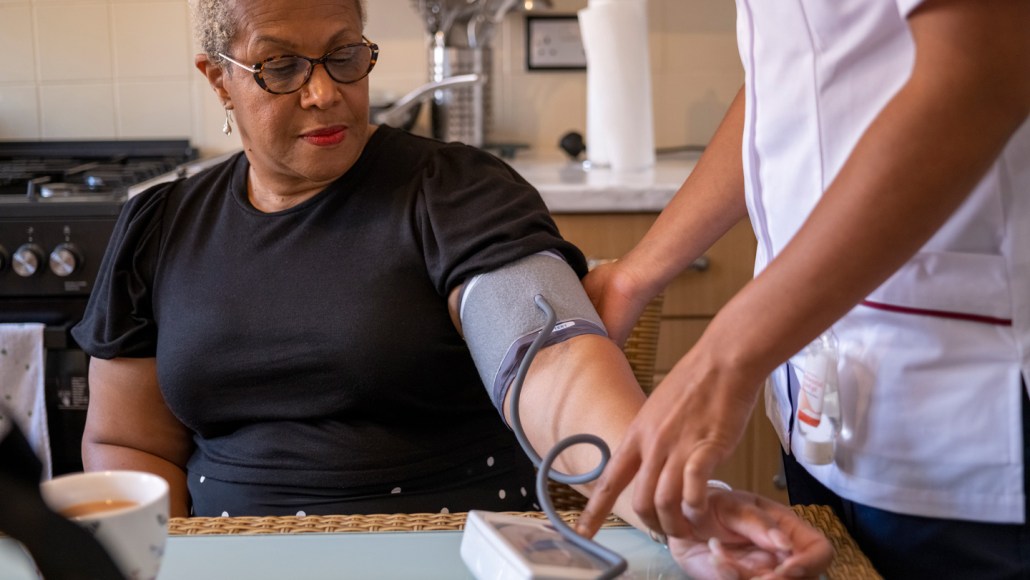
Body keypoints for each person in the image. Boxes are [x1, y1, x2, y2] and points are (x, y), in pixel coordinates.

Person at [69, 0, 832, 577]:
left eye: (344, 57)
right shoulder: (159, 226)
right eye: (281, 67)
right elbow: (129, 443)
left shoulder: (454, 192)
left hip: (443, 551)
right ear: (219, 80)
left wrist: (678, 505)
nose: (324, 94)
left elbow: (551, 360)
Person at [576, 0, 1030, 578]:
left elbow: (981, 73)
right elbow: (789, 79)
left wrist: (724, 359)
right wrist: (638, 270)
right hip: (822, 413)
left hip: (965, 414)